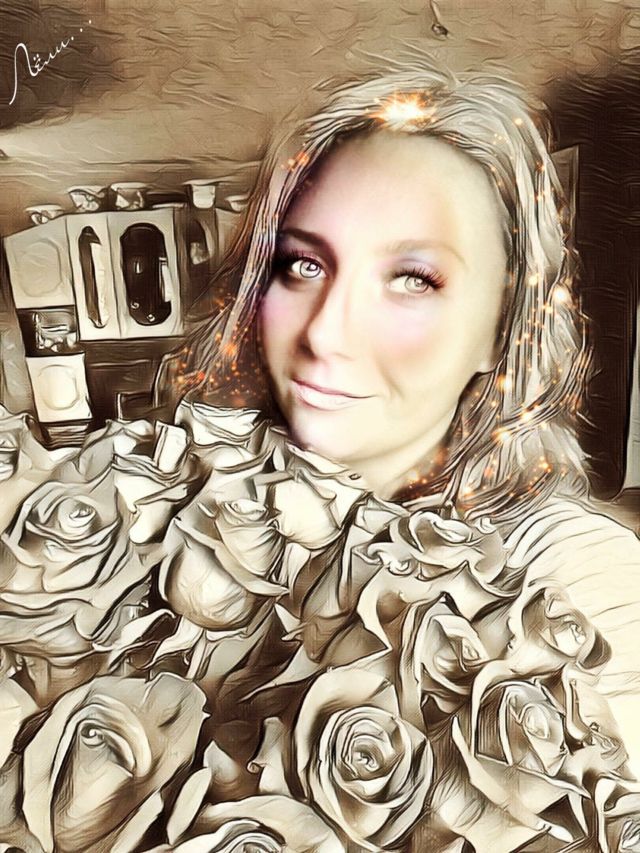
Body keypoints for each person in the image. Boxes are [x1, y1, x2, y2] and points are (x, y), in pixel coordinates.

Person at [172, 63, 640, 770]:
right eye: (303, 265)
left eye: (413, 279)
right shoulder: (188, 513)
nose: (324, 333)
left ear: (501, 330)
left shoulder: (568, 574)